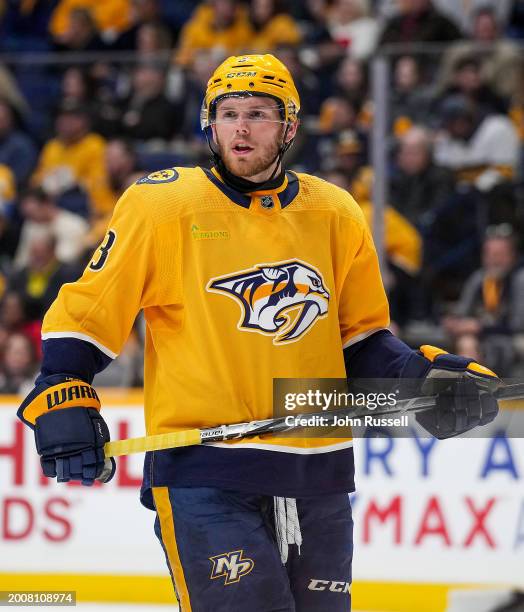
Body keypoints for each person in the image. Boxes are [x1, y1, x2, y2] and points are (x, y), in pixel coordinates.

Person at [16, 54, 500, 612]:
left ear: (289, 127)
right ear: (210, 123)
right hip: (208, 471)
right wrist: (61, 387)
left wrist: (422, 378)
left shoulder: (335, 212)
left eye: (259, 114)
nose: (241, 128)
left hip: (320, 474)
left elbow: (361, 339)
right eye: (228, 113)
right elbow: (88, 310)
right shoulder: (165, 205)